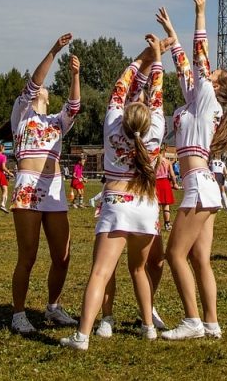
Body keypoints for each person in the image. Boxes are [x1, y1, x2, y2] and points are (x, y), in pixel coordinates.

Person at [61, 35, 169, 350]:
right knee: (138, 269)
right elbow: (158, 92)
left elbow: (120, 86)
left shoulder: (111, 125)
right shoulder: (157, 130)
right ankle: (148, 326)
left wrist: (141, 58)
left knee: (100, 272)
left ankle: (82, 335)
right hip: (147, 208)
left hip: (116, 204)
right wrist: (158, 56)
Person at [156, 0, 227, 341]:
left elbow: (199, 56)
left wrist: (201, 14)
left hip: (198, 185)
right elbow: (185, 67)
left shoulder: (207, 98)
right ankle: (211, 323)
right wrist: (172, 31)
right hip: (204, 184)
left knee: (175, 254)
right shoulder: (198, 98)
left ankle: (192, 321)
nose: (209, 72)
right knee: (200, 259)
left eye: (215, 74)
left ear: (216, 85)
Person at [9, 34, 81, 334]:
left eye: (45, 92)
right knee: (28, 255)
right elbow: (33, 84)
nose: (41, 91)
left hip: (53, 188)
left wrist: (76, 75)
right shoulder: (22, 115)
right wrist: (54, 50)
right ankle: (18, 314)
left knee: (62, 255)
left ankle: (53, 307)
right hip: (27, 186)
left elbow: (74, 107)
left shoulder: (56, 121)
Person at [155, 152, 175, 231]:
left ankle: (155, 225)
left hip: (155, 183)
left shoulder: (154, 161)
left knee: (156, 206)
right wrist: (175, 183)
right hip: (165, 183)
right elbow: (172, 175)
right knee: (166, 205)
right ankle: (167, 224)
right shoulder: (167, 162)